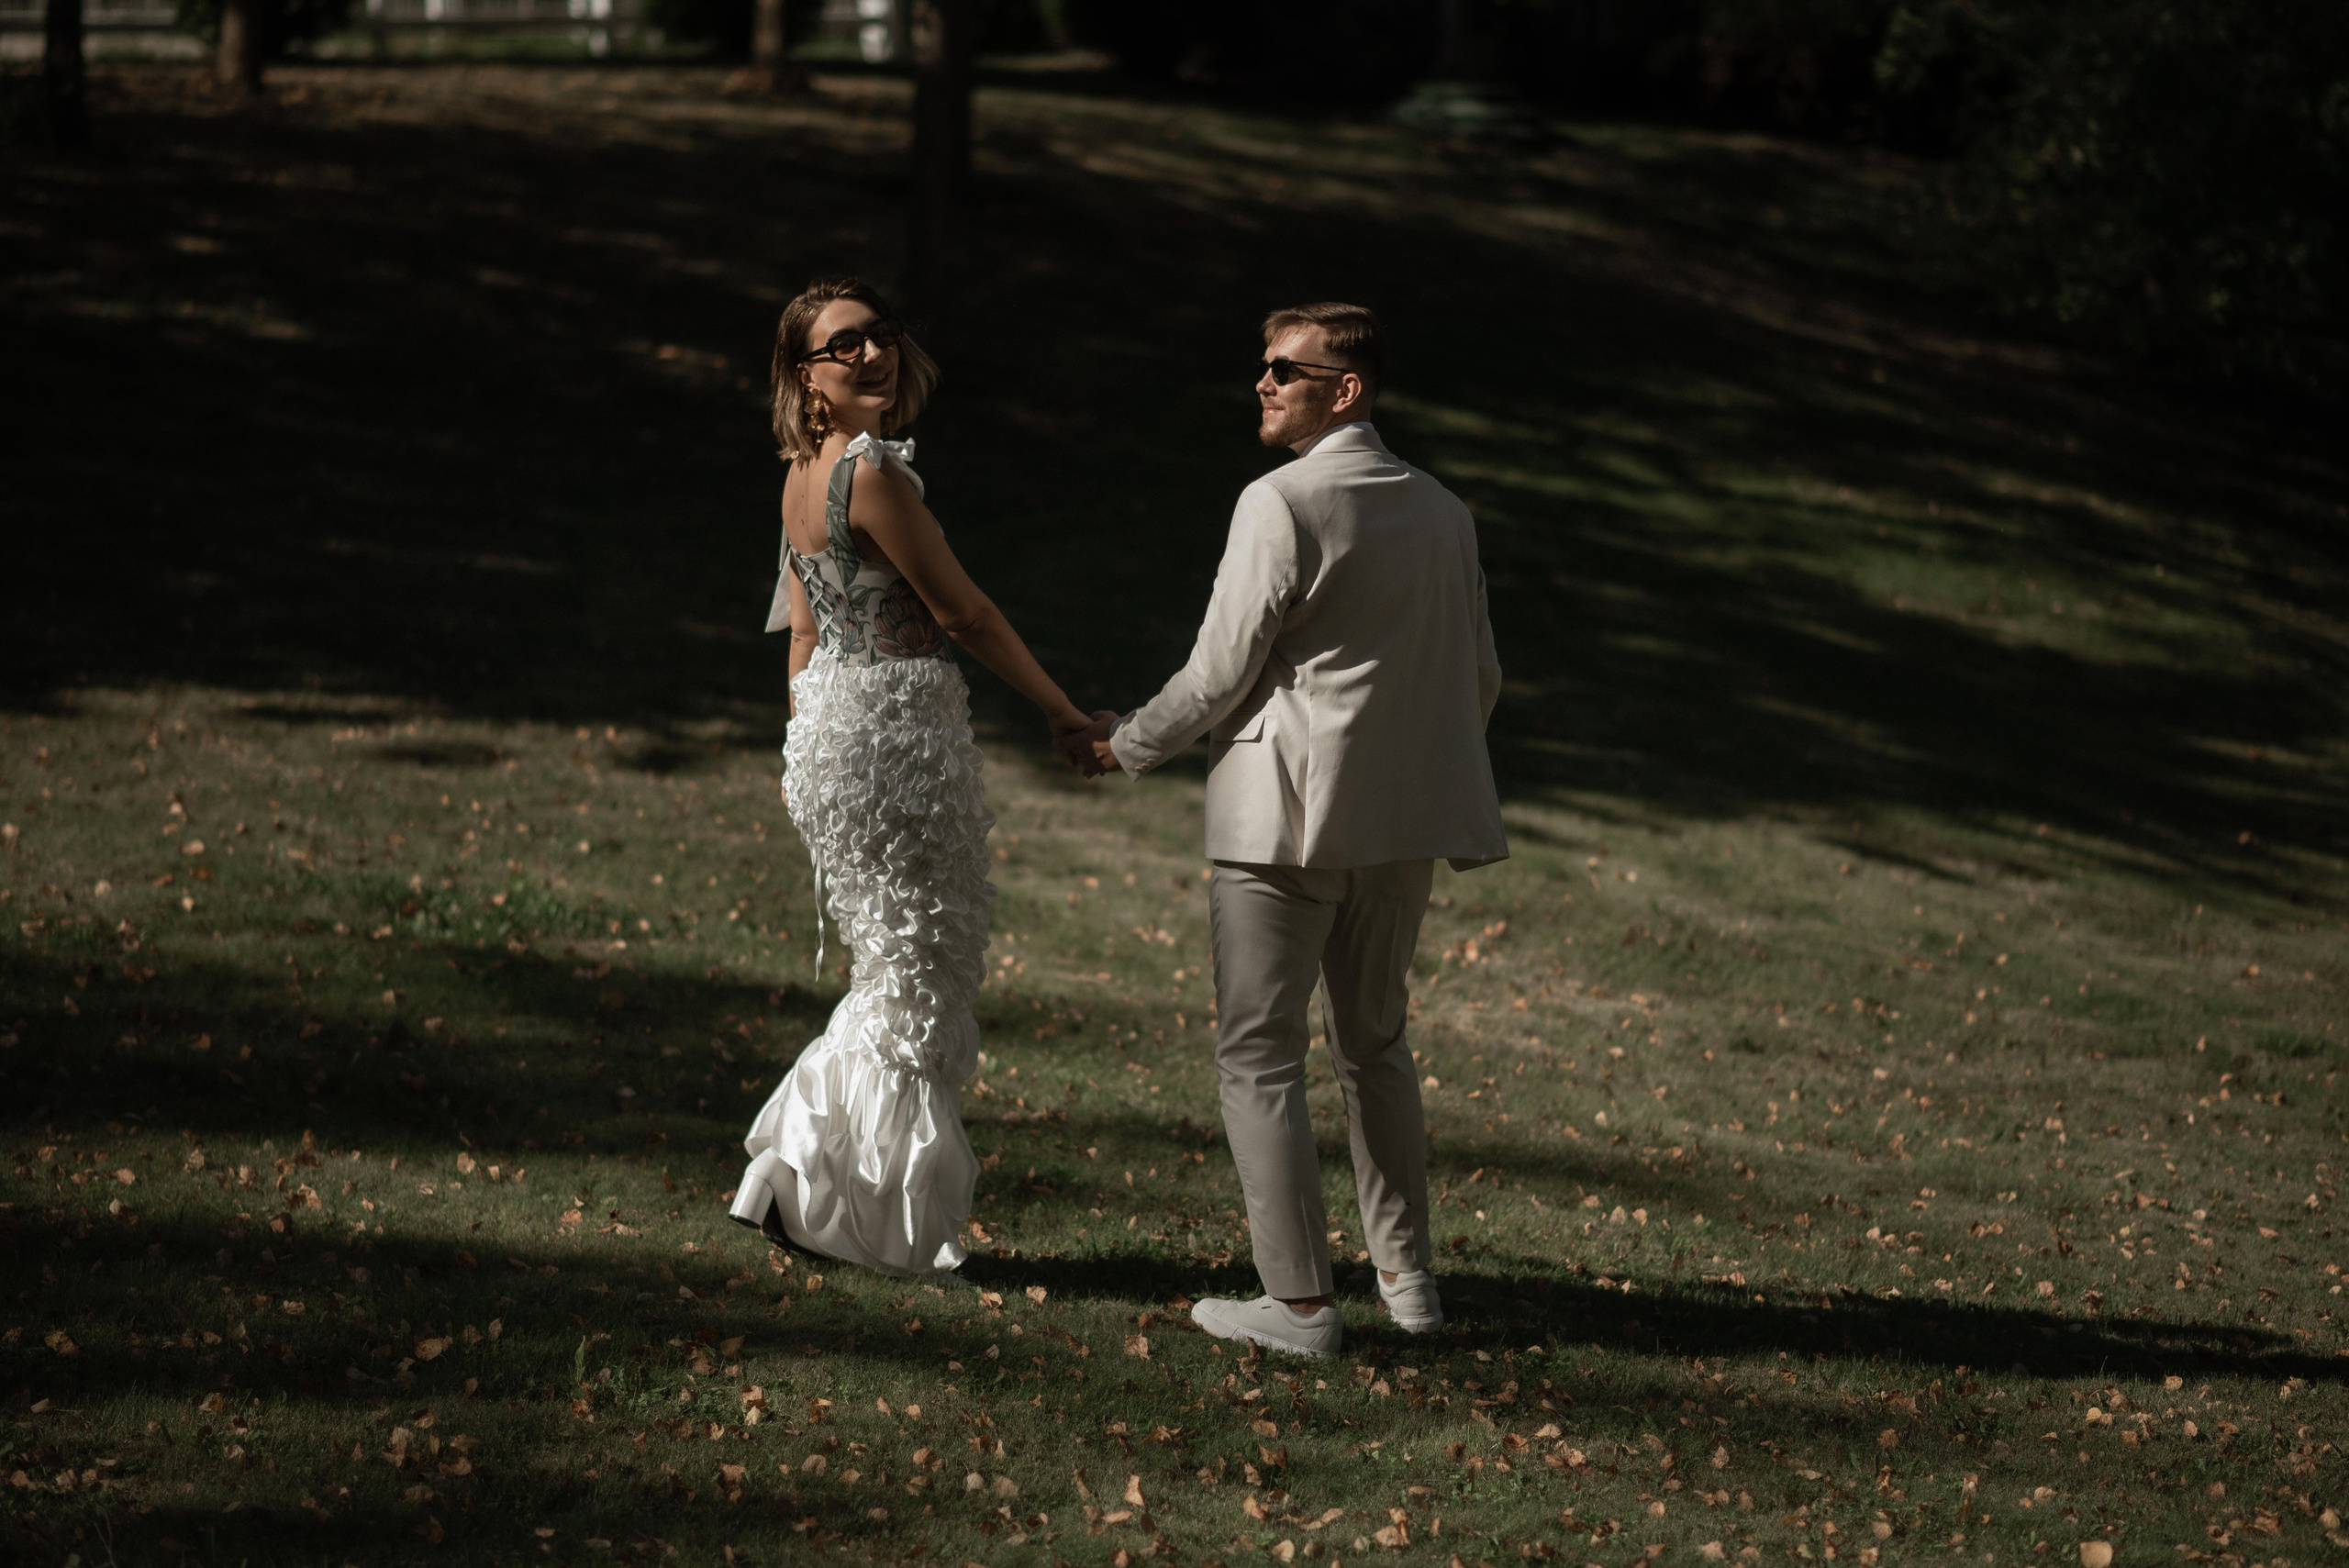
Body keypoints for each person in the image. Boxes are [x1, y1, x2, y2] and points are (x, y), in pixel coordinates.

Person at [1081, 303, 1507, 1355]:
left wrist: (1125, 742)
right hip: (1400, 824)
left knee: (1258, 1055)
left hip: (1278, 822)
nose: (1262, 383)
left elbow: (1220, 672)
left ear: (1345, 387)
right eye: (1262, 367)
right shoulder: (1446, 511)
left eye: (1285, 369)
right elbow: (1481, 676)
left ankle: (1302, 1305)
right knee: (1376, 1045)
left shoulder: (1278, 501)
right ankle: (1408, 1283)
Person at [729, 276, 1101, 1277]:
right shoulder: (870, 474)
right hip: (895, 741)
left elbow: (804, 630)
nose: (871, 356)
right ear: (804, 376)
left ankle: (810, 1184)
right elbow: (967, 613)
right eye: (842, 346)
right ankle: (856, 1213)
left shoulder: (802, 473)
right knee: (920, 973)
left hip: (834, 735)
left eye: (880, 336)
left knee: (895, 966)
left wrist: (804, 744)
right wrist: (1062, 709)